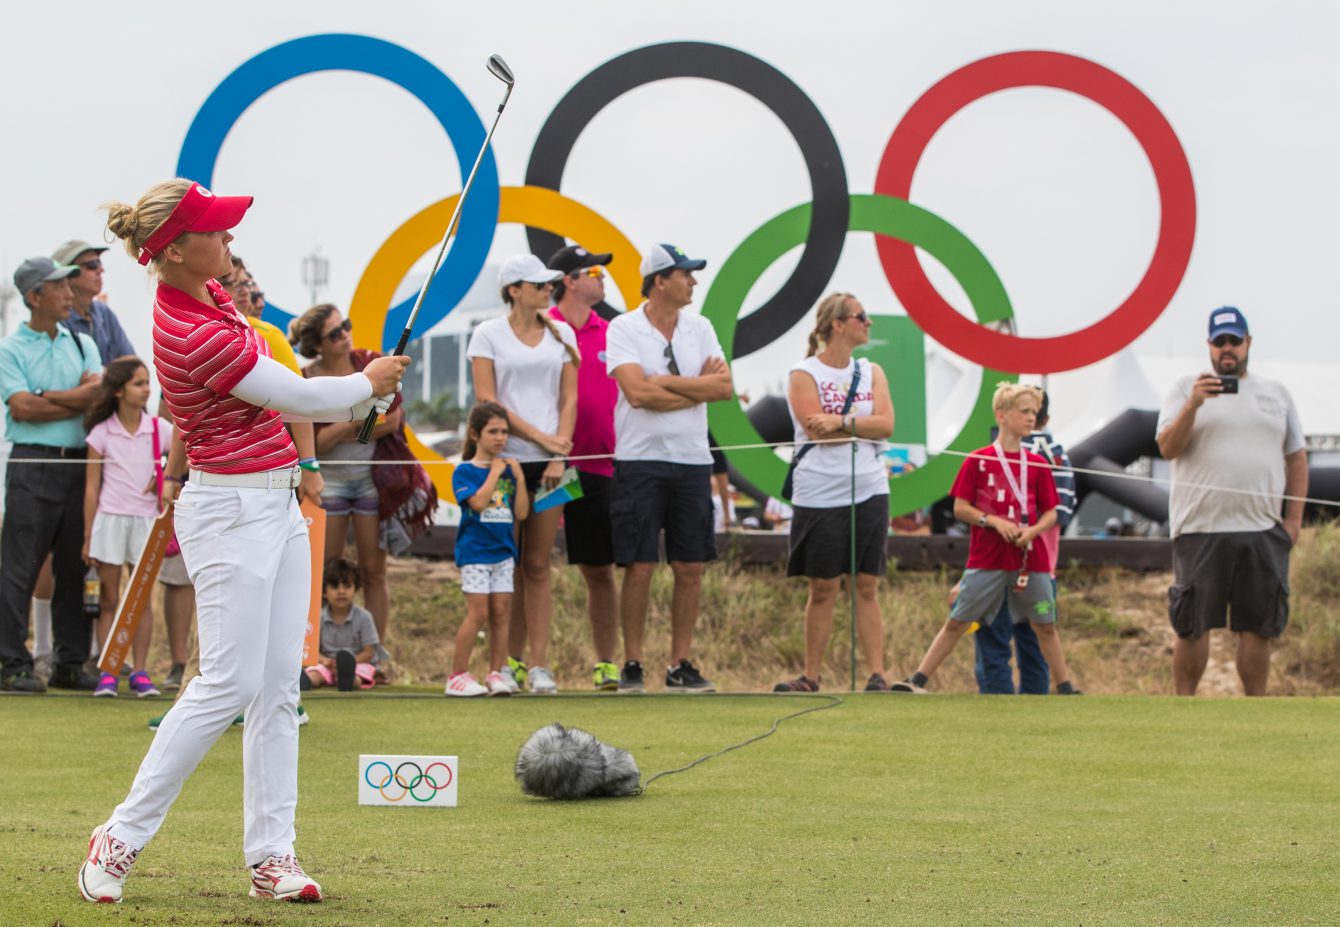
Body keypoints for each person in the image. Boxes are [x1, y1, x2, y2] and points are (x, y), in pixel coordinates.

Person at [79, 178, 405, 905]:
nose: (230, 242)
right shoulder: (188, 329)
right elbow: (299, 395)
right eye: (217, 232)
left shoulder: (215, 296)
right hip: (227, 512)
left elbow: (289, 386)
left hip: (278, 504)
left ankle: (272, 856)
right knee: (225, 682)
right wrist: (366, 380)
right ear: (174, 249)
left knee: (278, 688)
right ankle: (120, 836)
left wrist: (351, 400)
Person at [1155, 307, 1306, 696]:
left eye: (1234, 341)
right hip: (1200, 528)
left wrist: (1292, 523)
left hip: (1262, 529)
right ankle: (1184, 710)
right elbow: (1168, 449)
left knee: (1258, 627)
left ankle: (1254, 713)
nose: (1227, 349)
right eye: (1219, 341)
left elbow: (1296, 458)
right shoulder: (1183, 388)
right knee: (1192, 625)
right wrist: (1193, 406)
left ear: (1248, 343)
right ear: (1208, 345)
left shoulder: (1277, 393)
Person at [892, 383, 1080, 695]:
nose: (1031, 418)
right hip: (988, 558)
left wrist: (1031, 531)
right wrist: (992, 521)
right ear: (1002, 415)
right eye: (1024, 411)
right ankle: (917, 681)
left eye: (1034, 412)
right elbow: (960, 508)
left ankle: (1066, 688)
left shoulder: (1037, 462)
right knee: (958, 620)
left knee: (1045, 625)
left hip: (1030, 559)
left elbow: (1051, 511)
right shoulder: (977, 460)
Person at [605, 243, 732, 693]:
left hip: (692, 460)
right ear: (660, 280)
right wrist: (695, 388)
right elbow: (637, 395)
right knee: (639, 565)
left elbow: (724, 389)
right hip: (639, 459)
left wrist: (666, 382)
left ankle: (680, 663)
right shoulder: (623, 326)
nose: (693, 281)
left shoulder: (701, 326)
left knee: (690, 566)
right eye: (685, 274)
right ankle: (633, 662)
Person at [772, 293, 894, 693]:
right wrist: (860, 424)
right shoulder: (802, 373)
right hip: (819, 491)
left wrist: (840, 420)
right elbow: (814, 431)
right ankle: (811, 677)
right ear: (838, 324)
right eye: (862, 316)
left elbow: (887, 425)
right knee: (822, 587)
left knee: (867, 585)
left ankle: (877, 675)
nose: (869, 323)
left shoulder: (872, 369)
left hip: (870, 488)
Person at [468, 254, 576, 695]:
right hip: (503, 463)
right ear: (514, 289)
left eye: (548, 283)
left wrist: (557, 452)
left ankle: (539, 665)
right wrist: (541, 440)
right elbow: (488, 402)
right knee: (504, 562)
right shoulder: (486, 333)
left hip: (554, 467)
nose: (548, 289)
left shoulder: (562, 332)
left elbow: (569, 399)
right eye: (538, 284)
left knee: (538, 564)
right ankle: (504, 665)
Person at [0, 257, 103, 694]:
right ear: (34, 296)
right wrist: (73, 398)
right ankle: (11, 662)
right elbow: (22, 408)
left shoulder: (81, 343)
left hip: (79, 463)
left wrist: (48, 397)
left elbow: (98, 399)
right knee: (19, 566)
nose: (68, 293)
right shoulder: (10, 349)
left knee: (73, 565)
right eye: (59, 286)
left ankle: (70, 661)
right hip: (32, 462)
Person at [290, 304, 406, 646]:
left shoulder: (368, 360)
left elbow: (393, 421)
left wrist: (337, 429)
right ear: (317, 344)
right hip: (328, 479)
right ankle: (318, 649)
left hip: (372, 476)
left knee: (373, 570)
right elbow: (313, 444)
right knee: (327, 570)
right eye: (334, 333)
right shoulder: (306, 378)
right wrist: (359, 422)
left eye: (346, 326)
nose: (345, 335)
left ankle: (375, 654)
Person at [546, 245, 621, 690]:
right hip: (549, 466)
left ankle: (606, 663)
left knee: (599, 568)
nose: (603, 278)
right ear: (570, 280)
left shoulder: (612, 332)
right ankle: (523, 661)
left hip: (596, 468)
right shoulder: (544, 328)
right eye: (594, 271)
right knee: (531, 565)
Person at [973, 390, 1076, 695]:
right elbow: (1062, 514)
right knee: (1035, 644)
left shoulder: (994, 454)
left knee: (993, 644)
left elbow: (982, 511)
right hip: (1044, 569)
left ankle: (997, 706)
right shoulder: (1059, 454)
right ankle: (1036, 709)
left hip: (995, 567)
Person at [82, 357, 173, 698]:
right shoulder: (101, 432)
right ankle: (109, 671)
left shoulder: (159, 429)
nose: (146, 389)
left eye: (147, 382)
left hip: (146, 522)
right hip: (109, 521)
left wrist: (163, 474)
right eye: (138, 383)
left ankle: (141, 672)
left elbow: (183, 457)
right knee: (108, 599)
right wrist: (89, 536)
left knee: (142, 600)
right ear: (119, 391)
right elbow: (91, 487)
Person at [220, 258, 324, 509]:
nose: (244, 290)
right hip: (214, 475)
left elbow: (301, 399)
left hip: (264, 473)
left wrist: (309, 464)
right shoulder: (199, 334)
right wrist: (171, 475)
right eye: (230, 283)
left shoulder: (269, 335)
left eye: (245, 282)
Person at [448, 401, 529, 697]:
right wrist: (495, 473)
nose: (500, 438)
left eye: (504, 432)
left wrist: (518, 478)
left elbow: (521, 513)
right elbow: (479, 504)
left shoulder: (510, 472)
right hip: (475, 553)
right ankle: (457, 675)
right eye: (493, 431)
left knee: (500, 612)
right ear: (475, 434)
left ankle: (496, 672)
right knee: (478, 612)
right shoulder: (465, 471)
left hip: (504, 553)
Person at [53, 239, 136, 366]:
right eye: (92, 265)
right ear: (68, 275)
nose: (101, 270)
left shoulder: (104, 313)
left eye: (99, 262)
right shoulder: (57, 321)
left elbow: (133, 367)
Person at [302, 558, 379, 691]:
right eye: (334, 587)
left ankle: (349, 681)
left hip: (357, 664)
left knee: (360, 675)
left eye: (347, 586)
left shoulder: (364, 617)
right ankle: (305, 682)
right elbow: (313, 650)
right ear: (324, 592)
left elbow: (369, 652)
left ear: (355, 589)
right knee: (315, 672)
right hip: (327, 665)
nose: (341, 591)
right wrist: (325, 661)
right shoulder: (317, 618)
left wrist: (351, 662)